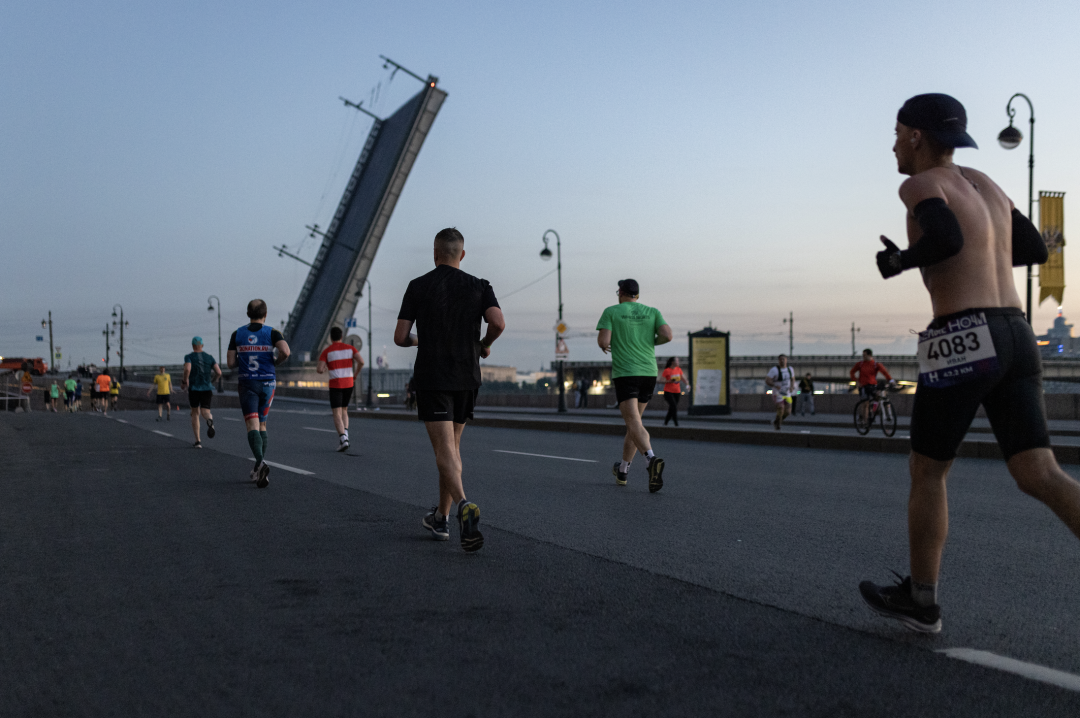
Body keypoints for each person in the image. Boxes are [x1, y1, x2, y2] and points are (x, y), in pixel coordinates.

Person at [859, 93, 1080, 633]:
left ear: (916, 136)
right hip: (1018, 333)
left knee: (928, 469)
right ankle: (920, 596)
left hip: (964, 334)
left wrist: (899, 261)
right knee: (1038, 471)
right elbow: (1033, 249)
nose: (892, 143)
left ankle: (922, 599)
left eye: (897, 131)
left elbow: (945, 237)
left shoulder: (918, 183)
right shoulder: (987, 183)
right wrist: (985, 254)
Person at [394, 227, 504, 551]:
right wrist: (484, 344)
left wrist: (419, 339)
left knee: (444, 452)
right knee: (452, 450)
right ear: (462, 254)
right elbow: (498, 322)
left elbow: (401, 337)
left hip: (432, 376)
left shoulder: (418, 286)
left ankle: (463, 506)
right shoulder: (480, 286)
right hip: (467, 376)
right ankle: (440, 518)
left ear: (435, 253)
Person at [597, 278, 672, 491]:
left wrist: (611, 343)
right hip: (649, 373)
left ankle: (651, 460)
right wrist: (649, 340)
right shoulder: (652, 312)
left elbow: (603, 341)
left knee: (633, 422)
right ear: (637, 295)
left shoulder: (612, 311)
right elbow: (667, 335)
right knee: (634, 424)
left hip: (626, 373)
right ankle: (622, 470)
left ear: (620, 293)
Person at [228, 299, 290, 488]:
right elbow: (286, 352)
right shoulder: (272, 332)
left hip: (248, 383)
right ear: (265, 314)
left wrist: (244, 358)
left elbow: (231, 363)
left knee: (251, 424)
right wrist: (274, 362)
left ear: (248, 314)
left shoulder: (237, 334)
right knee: (262, 424)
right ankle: (257, 467)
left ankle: (261, 463)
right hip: (268, 383)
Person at [316, 327, 363, 452]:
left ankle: (343, 439)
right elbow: (361, 362)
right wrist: (355, 375)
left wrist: (325, 368)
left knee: (336, 413)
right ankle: (345, 435)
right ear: (341, 336)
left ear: (331, 338)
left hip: (336, 384)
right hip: (349, 383)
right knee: (344, 410)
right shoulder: (350, 348)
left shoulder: (327, 351)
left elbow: (319, 369)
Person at [182, 336, 222, 449]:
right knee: (205, 412)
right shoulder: (209, 357)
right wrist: (212, 381)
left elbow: (187, 369)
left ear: (193, 346)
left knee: (195, 413)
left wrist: (184, 381)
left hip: (194, 388)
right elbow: (219, 372)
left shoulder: (189, 357)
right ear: (202, 345)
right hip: (207, 388)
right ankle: (210, 421)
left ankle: (198, 441)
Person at [850, 349, 893, 427]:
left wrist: (891, 380)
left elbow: (884, 372)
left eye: (864, 355)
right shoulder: (860, 364)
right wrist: (856, 381)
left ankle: (873, 411)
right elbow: (852, 372)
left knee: (878, 397)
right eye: (863, 355)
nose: (863, 357)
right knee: (865, 403)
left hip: (872, 386)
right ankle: (865, 422)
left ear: (869, 355)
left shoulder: (876, 364)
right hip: (863, 386)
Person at [765, 355, 795, 430]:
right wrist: (774, 385)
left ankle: (777, 421)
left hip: (787, 393)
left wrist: (792, 386)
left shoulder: (790, 369)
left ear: (786, 360)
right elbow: (767, 380)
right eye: (780, 359)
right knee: (780, 408)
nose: (782, 361)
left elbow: (793, 378)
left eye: (784, 359)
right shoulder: (774, 370)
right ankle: (778, 425)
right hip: (777, 393)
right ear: (778, 361)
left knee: (788, 412)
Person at [661, 357, 685, 427]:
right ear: (672, 362)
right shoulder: (667, 370)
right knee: (673, 406)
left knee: (672, 407)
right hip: (668, 391)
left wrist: (687, 383)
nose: (678, 362)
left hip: (677, 391)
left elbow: (683, 378)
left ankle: (666, 422)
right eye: (677, 361)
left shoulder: (679, 369)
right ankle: (676, 423)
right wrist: (669, 381)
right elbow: (661, 380)